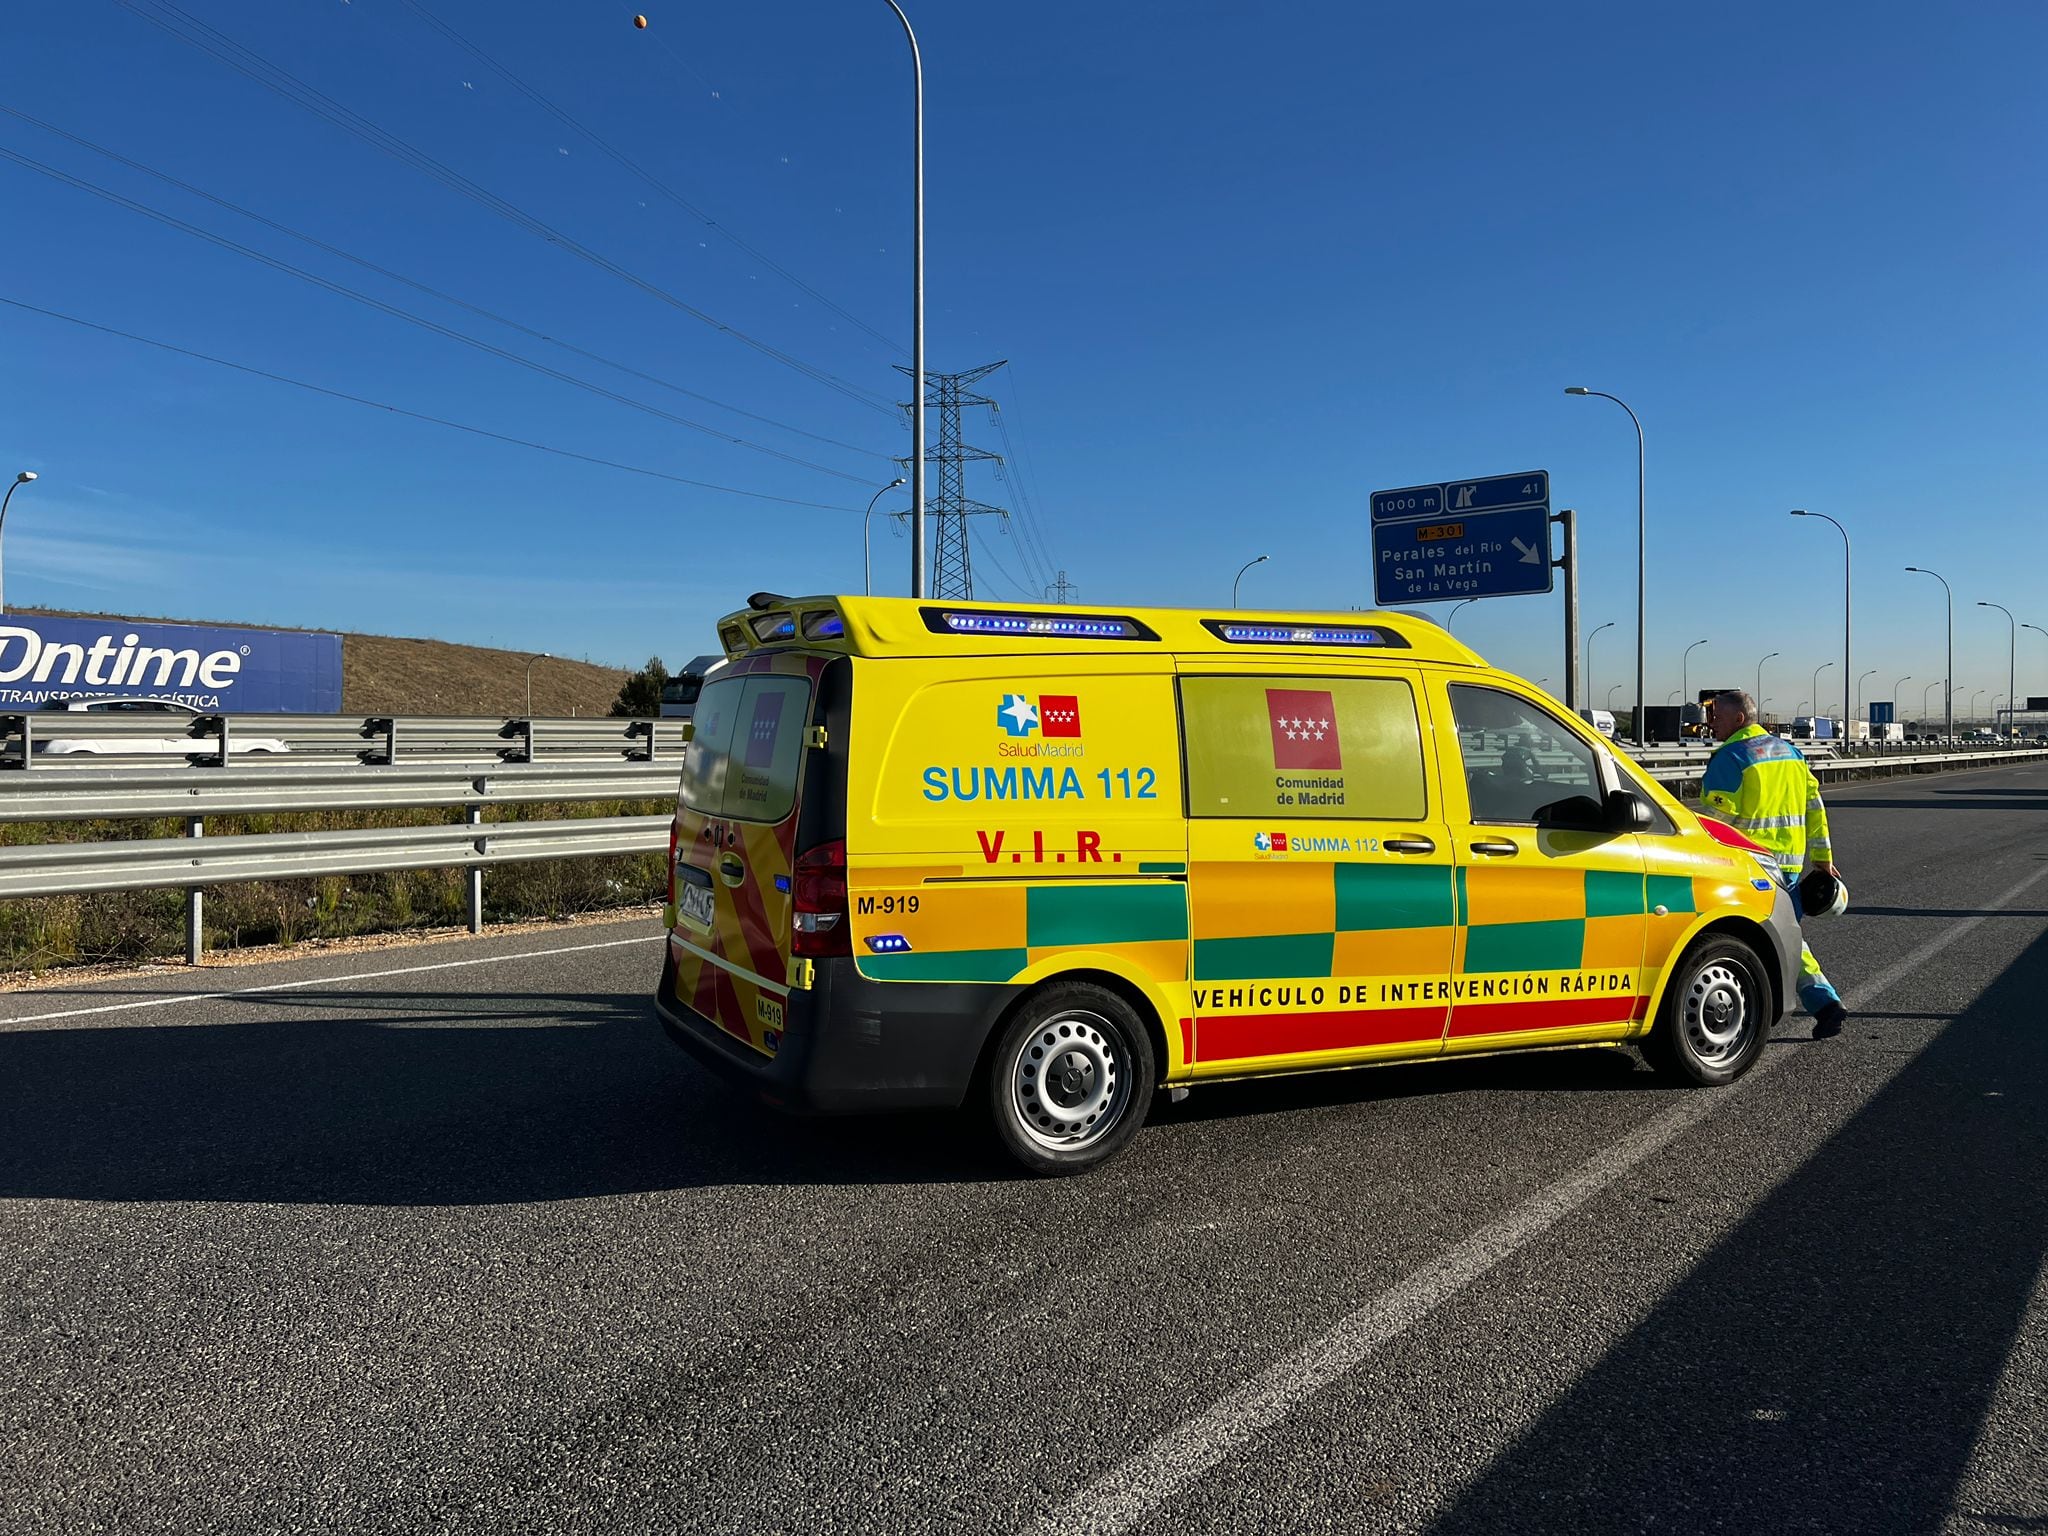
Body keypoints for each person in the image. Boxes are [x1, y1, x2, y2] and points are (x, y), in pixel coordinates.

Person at [1701, 689, 1848, 1038]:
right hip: (1790, 866)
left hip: (1749, 865)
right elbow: (1815, 808)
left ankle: (1741, 1013)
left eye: (1717, 715)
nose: (1711, 722)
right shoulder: (1791, 753)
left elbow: (1715, 819)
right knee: (1786, 938)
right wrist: (1822, 859)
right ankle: (1826, 1005)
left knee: (1739, 939)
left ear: (1739, 719)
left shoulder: (1731, 757)